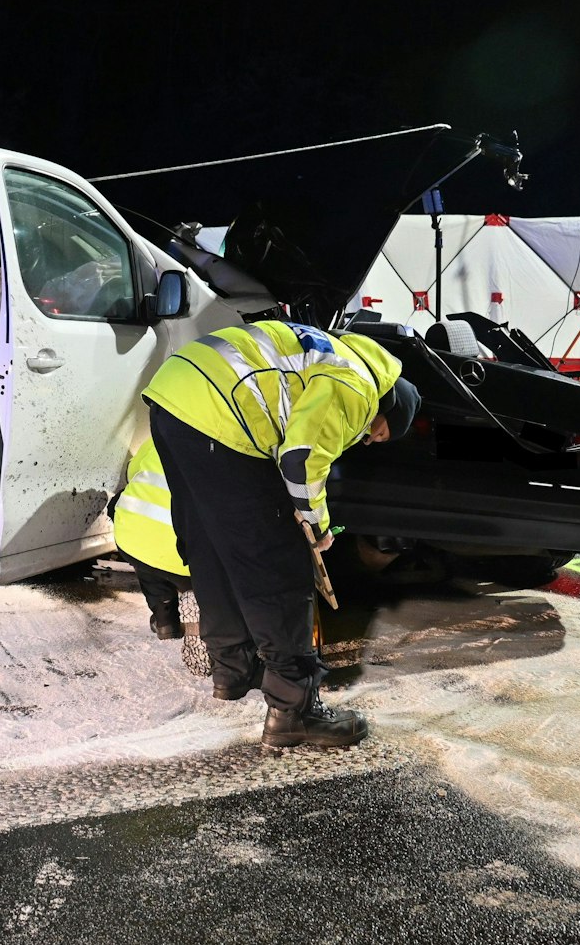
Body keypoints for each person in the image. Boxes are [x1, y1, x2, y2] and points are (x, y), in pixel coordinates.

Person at [140, 319, 420, 749]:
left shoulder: (330, 353)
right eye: (378, 434)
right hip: (221, 414)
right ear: (390, 409)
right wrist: (316, 524)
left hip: (175, 399)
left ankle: (234, 668)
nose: (368, 440)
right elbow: (302, 457)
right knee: (277, 565)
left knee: (213, 548)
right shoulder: (360, 387)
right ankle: (295, 711)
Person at [110, 437, 190, 640]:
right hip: (194, 563)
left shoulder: (161, 433)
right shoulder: (230, 440)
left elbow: (131, 472)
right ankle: (211, 620)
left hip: (135, 544)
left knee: (147, 553)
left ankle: (164, 616)